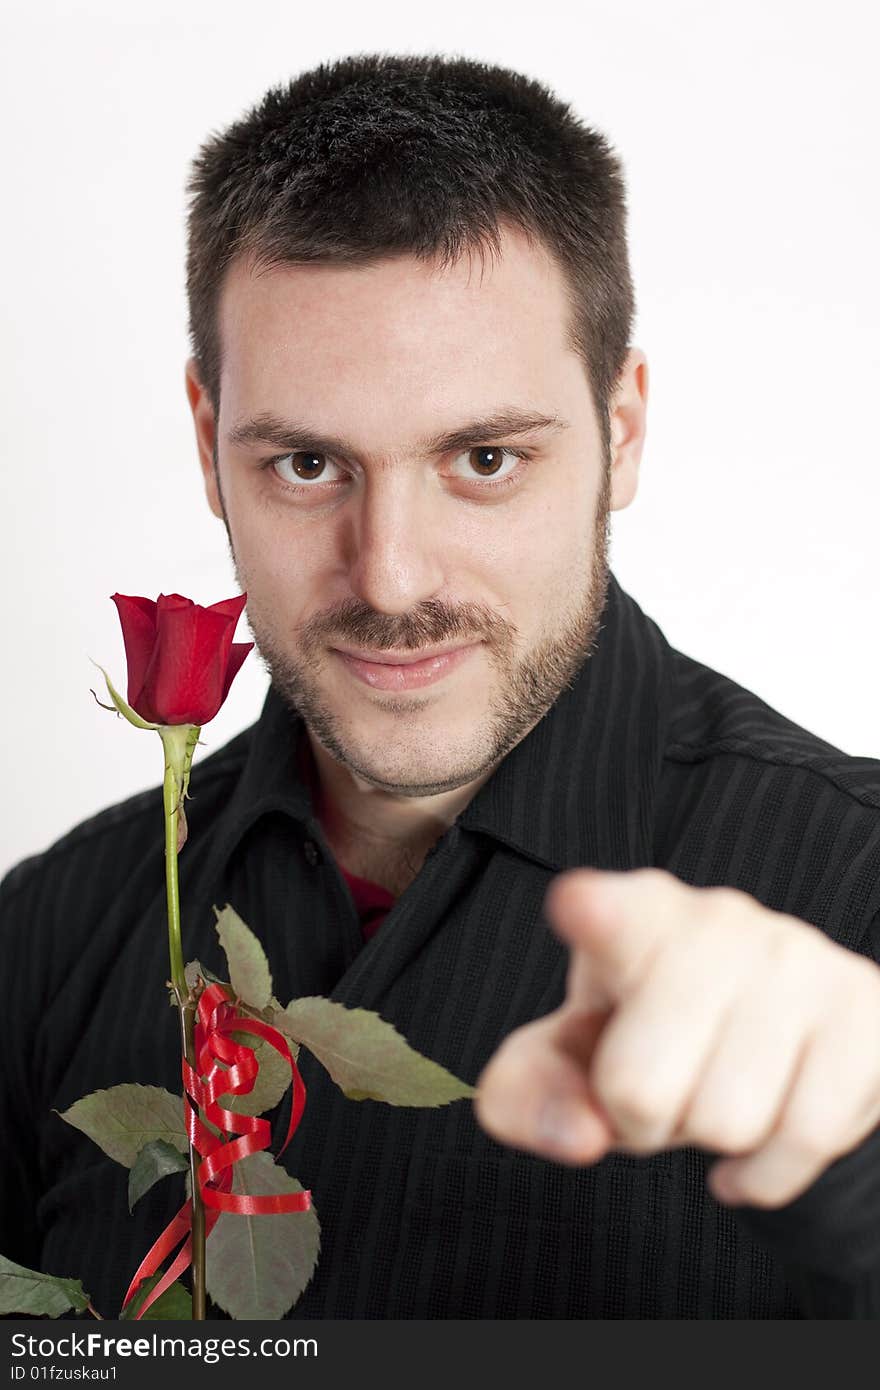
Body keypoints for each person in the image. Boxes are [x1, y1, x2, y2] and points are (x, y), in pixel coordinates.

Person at [3, 51, 880, 1321]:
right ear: (209, 446)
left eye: (483, 457)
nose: (391, 574)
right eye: (307, 463)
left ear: (620, 430)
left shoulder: (856, 901)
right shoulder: (48, 931)